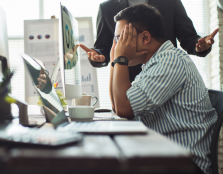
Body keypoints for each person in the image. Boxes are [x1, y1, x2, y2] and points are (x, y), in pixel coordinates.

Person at [110, 4, 217, 174]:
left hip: (185, 165)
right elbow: (118, 106)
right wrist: (115, 61)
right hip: (165, 157)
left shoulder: (170, 61)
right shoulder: (153, 65)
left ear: (145, 38)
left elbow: (124, 109)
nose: (117, 45)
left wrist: (120, 59)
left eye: (121, 38)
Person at [80, 0, 218, 81]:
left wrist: (200, 46)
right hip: (128, 79)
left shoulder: (170, 2)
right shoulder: (107, 8)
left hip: (166, 74)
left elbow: (188, 37)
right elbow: (102, 48)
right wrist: (97, 56)